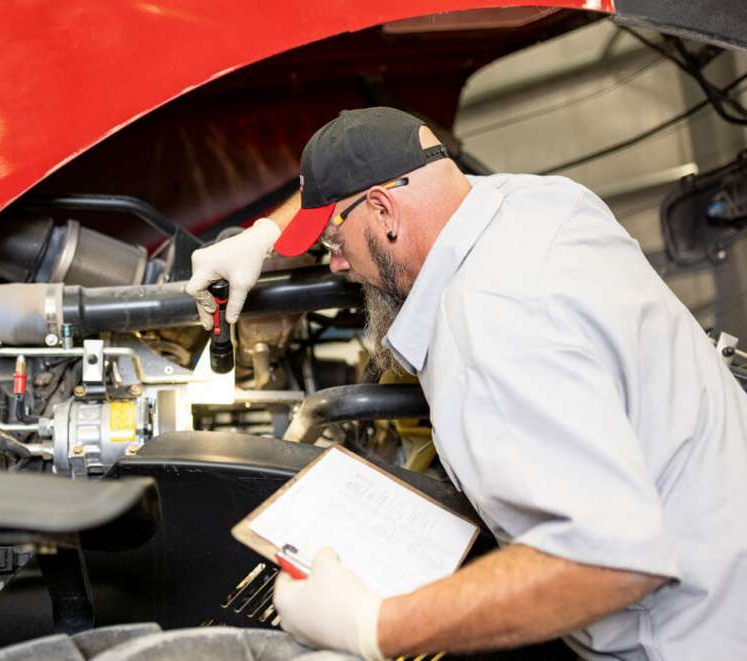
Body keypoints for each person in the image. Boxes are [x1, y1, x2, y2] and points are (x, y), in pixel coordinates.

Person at [185, 107, 747, 660]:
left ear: (384, 211)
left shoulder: (489, 330)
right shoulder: (541, 202)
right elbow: (383, 182)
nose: (336, 265)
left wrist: (372, 627)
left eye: (335, 243)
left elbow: (611, 560)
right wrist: (265, 235)